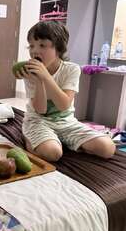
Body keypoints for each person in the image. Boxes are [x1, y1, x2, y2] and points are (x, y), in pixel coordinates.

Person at [15, 20, 115, 162]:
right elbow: (41, 109)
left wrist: (46, 77)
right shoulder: (30, 72)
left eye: (42, 45)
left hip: (66, 122)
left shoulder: (72, 69)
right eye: (31, 45)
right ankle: (32, 139)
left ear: (58, 49)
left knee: (107, 148)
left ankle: (67, 141)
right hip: (38, 121)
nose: (34, 50)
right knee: (53, 153)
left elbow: (64, 105)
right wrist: (38, 80)